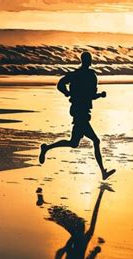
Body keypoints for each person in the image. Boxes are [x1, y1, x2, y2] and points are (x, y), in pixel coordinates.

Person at [38, 51, 116, 180]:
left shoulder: (76, 75)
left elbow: (60, 84)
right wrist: (99, 95)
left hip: (79, 111)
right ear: (89, 61)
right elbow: (89, 95)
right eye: (89, 59)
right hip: (81, 113)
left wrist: (67, 92)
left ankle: (46, 147)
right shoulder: (90, 76)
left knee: (73, 143)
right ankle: (103, 172)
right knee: (95, 141)